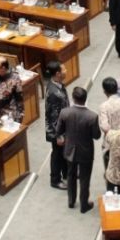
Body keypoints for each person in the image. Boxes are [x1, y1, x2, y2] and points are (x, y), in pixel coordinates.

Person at [55, 87, 100, 213]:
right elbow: (96, 136)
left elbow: (58, 131)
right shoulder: (92, 116)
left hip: (70, 150)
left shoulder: (64, 112)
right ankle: (84, 204)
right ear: (85, 99)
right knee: (85, 178)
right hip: (86, 152)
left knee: (70, 175)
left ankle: (71, 201)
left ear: (73, 98)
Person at [44, 61, 69, 190]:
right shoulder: (54, 93)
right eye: (64, 70)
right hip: (56, 130)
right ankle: (55, 180)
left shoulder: (57, 85)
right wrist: (58, 135)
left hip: (63, 128)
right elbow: (54, 117)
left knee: (63, 152)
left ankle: (66, 174)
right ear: (58, 73)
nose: (66, 71)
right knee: (57, 154)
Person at [98, 77, 120, 168]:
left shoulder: (103, 106)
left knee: (111, 172)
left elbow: (105, 127)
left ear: (104, 91)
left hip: (110, 145)